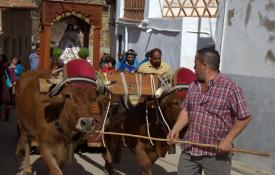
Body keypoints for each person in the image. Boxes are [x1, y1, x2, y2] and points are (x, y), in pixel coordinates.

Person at [166, 48, 251, 175]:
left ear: (204, 66)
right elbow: (186, 109)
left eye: (196, 63)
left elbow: (244, 117)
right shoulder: (194, 85)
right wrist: (176, 129)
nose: (194, 67)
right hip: (190, 150)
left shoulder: (230, 88)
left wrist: (228, 140)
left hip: (216, 154)